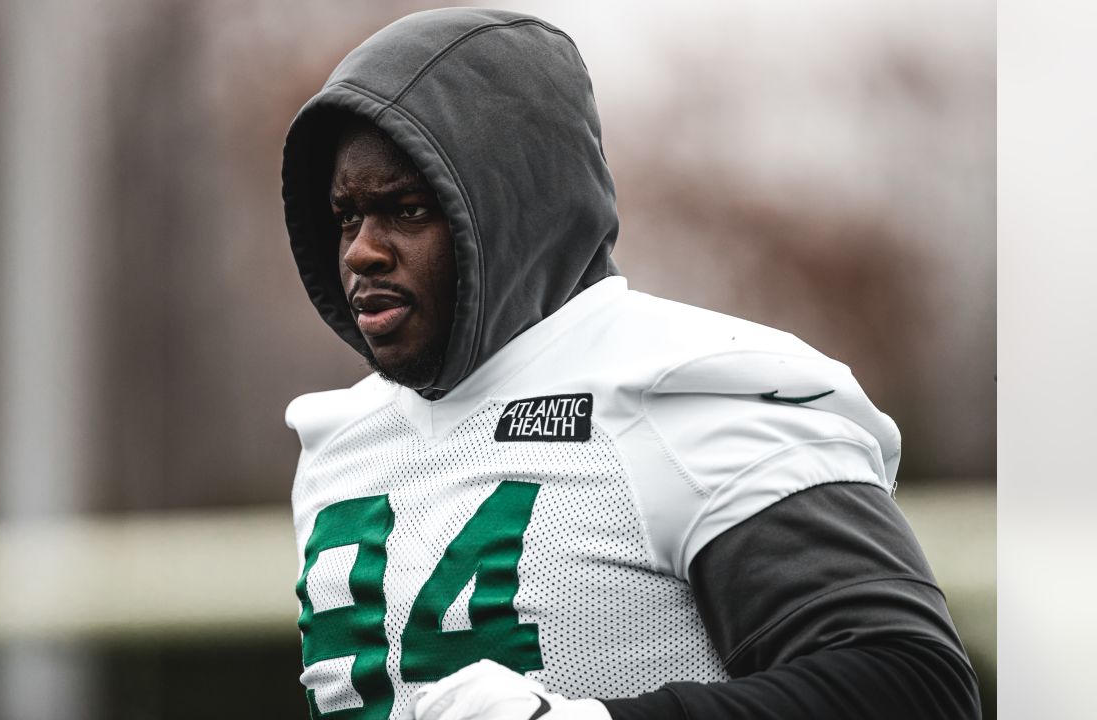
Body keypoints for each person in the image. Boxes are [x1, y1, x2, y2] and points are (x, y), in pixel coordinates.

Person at [281, 8, 980, 720]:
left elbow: (913, 686)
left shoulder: (692, 387)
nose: (361, 252)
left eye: (405, 210)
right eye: (347, 216)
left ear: (510, 207)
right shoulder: (340, 439)